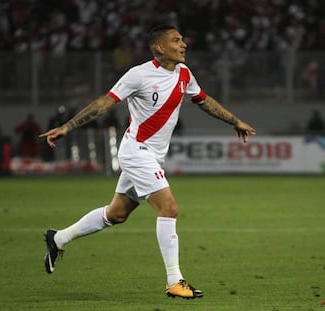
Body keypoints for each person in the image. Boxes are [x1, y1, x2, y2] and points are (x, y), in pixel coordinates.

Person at [40, 24, 256, 299]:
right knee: (169, 208)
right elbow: (105, 102)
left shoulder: (184, 74)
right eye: (177, 40)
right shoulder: (139, 75)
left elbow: (203, 101)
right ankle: (174, 280)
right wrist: (68, 127)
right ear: (159, 48)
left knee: (116, 214)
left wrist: (234, 121)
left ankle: (58, 239)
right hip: (136, 151)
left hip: (152, 156)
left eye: (183, 39)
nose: (184, 44)